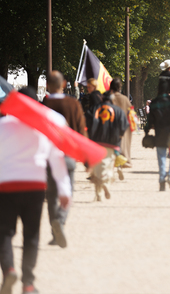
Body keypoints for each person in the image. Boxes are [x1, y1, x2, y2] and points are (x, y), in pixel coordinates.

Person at [0, 88, 72, 294]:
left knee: (4, 232)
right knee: (31, 235)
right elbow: (57, 160)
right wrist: (64, 190)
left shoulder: (2, 126)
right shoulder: (43, 128)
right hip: (35, 186)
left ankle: (8, 270)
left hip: (6, 185)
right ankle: (28, 283)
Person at [42, 71, 87, 249]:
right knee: (68, 193)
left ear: (47, 86)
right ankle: (60, 220)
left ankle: (54, 232)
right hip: (67, 155)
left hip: (48, 157)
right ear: (64, 84)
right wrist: (86, 158)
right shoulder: (73, 103)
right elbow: (81, 131)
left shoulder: (43, 104)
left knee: (51, 196)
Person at [86, 91, 129, 201]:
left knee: (97, 168)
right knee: (108, 166)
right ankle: (105, 182)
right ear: (112, 99)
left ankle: (98, 194)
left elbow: (86, 123)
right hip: (111, 142)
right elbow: (124, 126)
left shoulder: (93, 109)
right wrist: (119, 136)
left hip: (95, 142)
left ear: (102, 99)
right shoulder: (118, 111)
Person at [145, 79, 170, 191]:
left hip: (159, 133)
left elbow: (149, 120)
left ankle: (162, 178)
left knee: (161, 157)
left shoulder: (155, 103)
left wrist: (146, 131)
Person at [108, 78, 134, 168]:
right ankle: (125, 159)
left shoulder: (110, 98)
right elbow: (131, 112)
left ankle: (114, 160)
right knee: (125, 143)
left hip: (112, 124)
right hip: (124, 124)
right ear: (119, 87)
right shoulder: (125, 99)